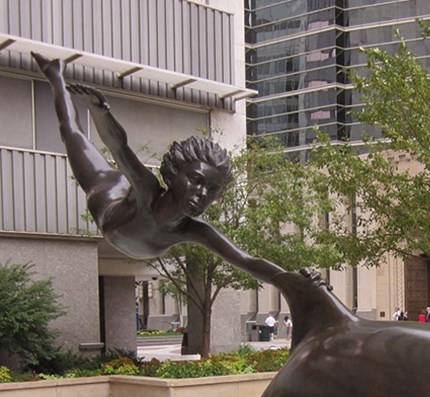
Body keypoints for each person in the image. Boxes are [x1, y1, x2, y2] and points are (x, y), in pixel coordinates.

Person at [32, 54, 284, 284]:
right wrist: (101, 112)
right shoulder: (148, 190)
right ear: (175, 175)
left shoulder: (194, 230)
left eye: (211, 190)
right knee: (71, 132)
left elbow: (247, 261)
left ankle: (55, 72)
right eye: (196, 180)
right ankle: (55, 74)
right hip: (105, 191)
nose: (201, 193)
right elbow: (118, 147)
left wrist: (296, 283)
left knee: (74, 135)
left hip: (122, 204)